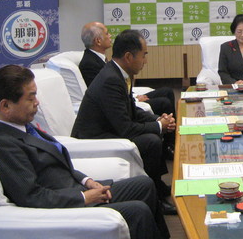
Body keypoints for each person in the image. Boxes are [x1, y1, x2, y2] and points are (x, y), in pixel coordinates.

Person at [0, 65, 171, 239]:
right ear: (6, 106)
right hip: (67, 207)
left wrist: (86, 181)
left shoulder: (23, 127)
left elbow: (58, 161)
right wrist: (84, 197)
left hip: (78, 188)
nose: (37, 102)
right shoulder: (2, 143)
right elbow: (32, 197)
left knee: (145, 185)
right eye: (30, 98)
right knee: (138, 211)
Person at [72, 29, 177, 215]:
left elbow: (132, 110)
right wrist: (159, 126)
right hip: (95, 139)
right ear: (128, 57)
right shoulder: (111, 79)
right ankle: (156, 198)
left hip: (110, 129)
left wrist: (157, 119)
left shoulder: (117, 73)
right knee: (151, 141)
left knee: (153, 134)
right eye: (144, 55)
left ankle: (157, 186)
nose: (145, 61)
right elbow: (126, 128)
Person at [79, 21, 176, 118]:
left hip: (126, 97)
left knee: (167, 91)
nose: (110, 36)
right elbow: (107, 95)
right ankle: (170, 124)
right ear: (98, 41)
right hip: (116, 105)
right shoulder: (89, 64)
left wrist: (134, 96)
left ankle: (173, 125)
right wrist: (135, 99)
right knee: (164, 103)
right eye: (107, 33)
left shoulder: (99, 58)